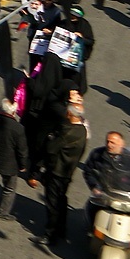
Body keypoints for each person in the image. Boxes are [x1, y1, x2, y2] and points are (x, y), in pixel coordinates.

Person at [44, 103, 88, 244]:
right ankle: (61, 229)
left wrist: (51, 139)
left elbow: (51, 148)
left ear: (70, 114)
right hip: (68, 171)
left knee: (52, 203)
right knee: (61, 200)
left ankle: (50, 234)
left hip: (57, 170)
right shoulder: (82, 130)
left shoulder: (66, 131)